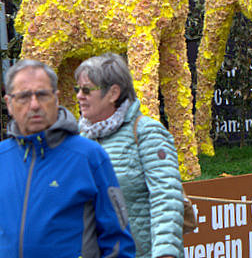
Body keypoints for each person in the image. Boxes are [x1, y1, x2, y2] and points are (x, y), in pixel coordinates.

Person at [0, 58, 135, 258]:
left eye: (42, 95)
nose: (34, 105)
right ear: (9, 104)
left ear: (56, 98)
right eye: (24, 97)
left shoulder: (89, 156)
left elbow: (118, 242)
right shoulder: (3, 157)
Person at [76, 52, 184, 258]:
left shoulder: (147, 132)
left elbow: (167, 197)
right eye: (78, 89)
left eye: (87, 90)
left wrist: (165, 253)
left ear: (113, 93)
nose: (79, 96)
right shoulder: (81, 140)